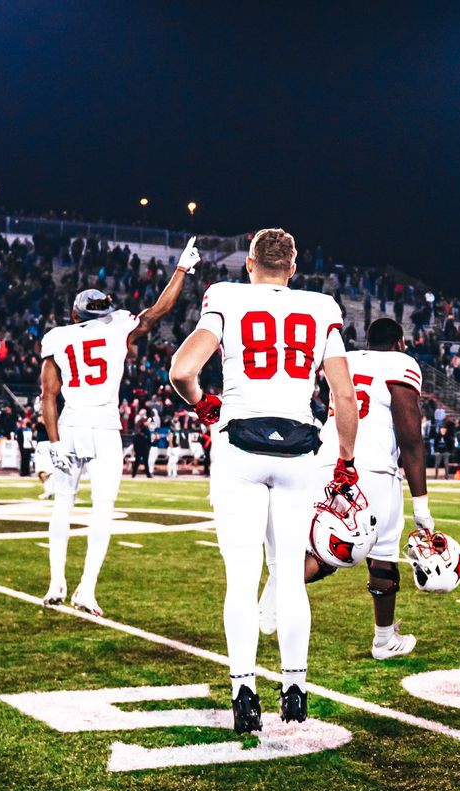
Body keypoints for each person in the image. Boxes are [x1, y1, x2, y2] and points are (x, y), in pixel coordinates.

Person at [169, 228, 358, 734]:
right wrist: (346, 461)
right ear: (293, 268)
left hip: (240, 445)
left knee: (241, 576)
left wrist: (204, 404)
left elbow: (182, 370)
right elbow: (344, 394)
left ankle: (244, 693)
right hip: (300, 447)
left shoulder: (227, 297)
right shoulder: (320, 307)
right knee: (290, 575)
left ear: (249, 264)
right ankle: (295, 689)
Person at [256, 318, 437, 659]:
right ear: (400, 342)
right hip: (374, 468)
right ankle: (384, 640)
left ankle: (285, 578)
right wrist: (422, 505)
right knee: (382, 557)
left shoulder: (347, 359)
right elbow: (412, 440)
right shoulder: (402, 364)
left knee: (324, 550)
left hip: (328, 460)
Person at [39, 240, 197, 617]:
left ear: (75, 314)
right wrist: (181, 270)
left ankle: (55, 582)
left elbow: (47, 395)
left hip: (71, 422)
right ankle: (86, 589)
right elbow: (159, 311)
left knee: (63, 502)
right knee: (102, 509)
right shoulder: (116, 328)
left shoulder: (58, 336)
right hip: (105, 426)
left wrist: (54, 442)